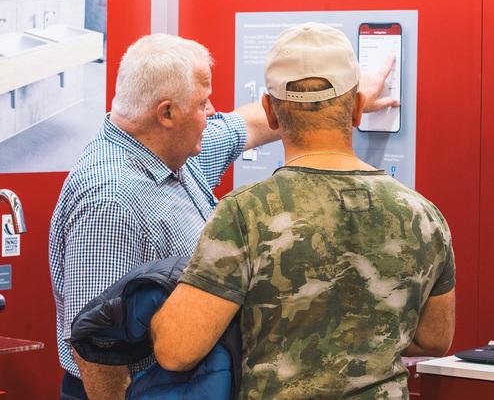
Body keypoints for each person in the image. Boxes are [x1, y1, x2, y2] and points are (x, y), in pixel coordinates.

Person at [49, 31, 396, 400]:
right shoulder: (111, 201)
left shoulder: (174, 151)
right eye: (203, 103)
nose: (212, 111)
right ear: (167, 113)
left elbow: (246, 125)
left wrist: (342, 102)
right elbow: (94, 347)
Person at [150, 23, 456, 400]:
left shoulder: (246, 213)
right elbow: (435, 338)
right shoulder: (423, 215)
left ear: (270, 112)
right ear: (357, 108)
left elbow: (177, 349)